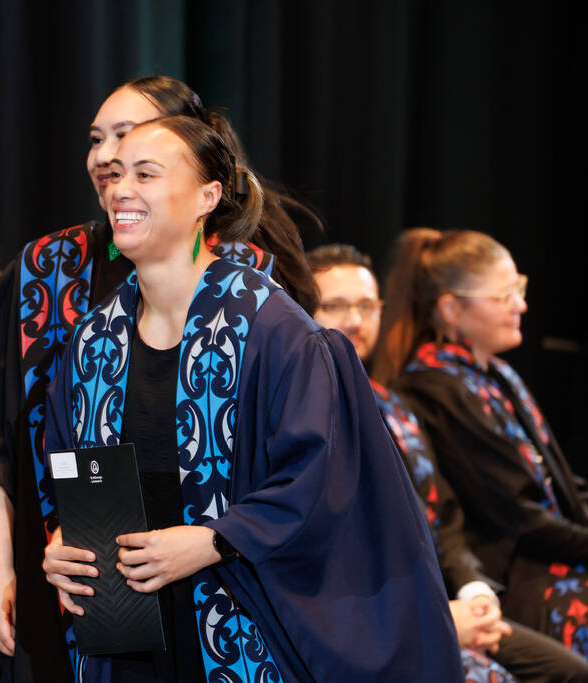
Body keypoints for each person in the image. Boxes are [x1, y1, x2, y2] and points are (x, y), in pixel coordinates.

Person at [41, 115, 460, 681]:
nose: (121, 190)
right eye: (116, 175)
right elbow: (73, 469)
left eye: (146, 174)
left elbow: (321, 479)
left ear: (207, 197)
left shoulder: (272, 329)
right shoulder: (94, 340)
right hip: (128, 640)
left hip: (245, 626)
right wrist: (66, 541)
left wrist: (215, 540)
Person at [0, 76, 321, 682]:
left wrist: (213, 540)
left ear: (202, 183)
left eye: (134, 151)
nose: (108, 162)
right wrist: (7, 562)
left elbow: (304, 466)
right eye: (99, 143)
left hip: (227, 585)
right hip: (86, 577)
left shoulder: (255, 303)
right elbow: (0, 431)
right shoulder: (54, 279)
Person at [309, 243, 588, 683]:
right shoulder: (308, 410)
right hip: (370, 615)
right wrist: (432, 614)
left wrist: (473, 589)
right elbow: (342, 550)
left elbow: (443, 516)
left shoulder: (392, 404)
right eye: (335, 306)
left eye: (366, 306)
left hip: (439, 597)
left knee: (567, 670)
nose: (355, 321)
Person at [372, 228, 588, 681]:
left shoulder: (497, 376)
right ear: (452, 309)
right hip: (517, 573)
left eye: (520, 289)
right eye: (504, 295)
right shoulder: (436, 387)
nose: (521, 305)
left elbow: (563, 486)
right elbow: (517, 519)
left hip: (546, 554)